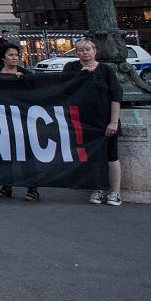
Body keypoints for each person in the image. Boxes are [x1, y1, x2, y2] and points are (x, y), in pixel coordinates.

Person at [63, 39, 123, 205]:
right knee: (92, 155)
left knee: (112, 155)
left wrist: (114, 121)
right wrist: (81, 76)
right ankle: (97, 189)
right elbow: (64, 88)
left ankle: (115, 192)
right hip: (85, 120)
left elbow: (116, 96)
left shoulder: (106, 70)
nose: (85, 53)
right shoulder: (71, 68)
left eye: (88, 49)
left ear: (95, 51)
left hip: (105, 119)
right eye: (80, 50)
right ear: (76, 53)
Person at [0, 45, 40, 202]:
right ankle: (6, 185)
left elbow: (34, 94)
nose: (15, 58)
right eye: (11, 55)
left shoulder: (25, 73)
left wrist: (24, 81)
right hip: (0, 118)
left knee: (25, 152)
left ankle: (32, 188)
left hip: (21, 118)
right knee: (4, 153)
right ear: (3, 58)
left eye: (17, 55)